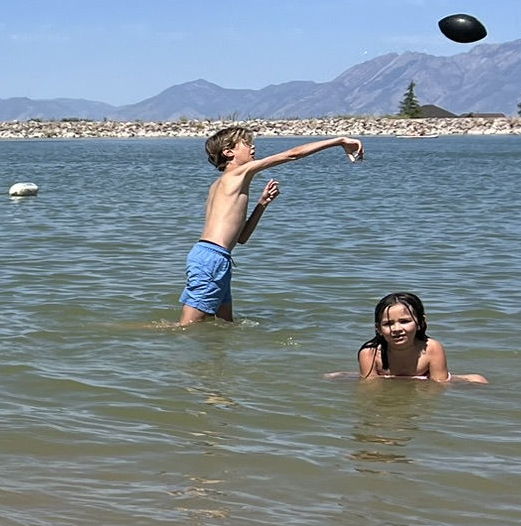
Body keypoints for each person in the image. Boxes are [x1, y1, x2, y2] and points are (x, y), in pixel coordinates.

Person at [182, 127, 364, 324]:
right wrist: (338, 141)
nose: (253, 146)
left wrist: (262, 204)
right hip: (212, 259)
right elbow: (292, 155)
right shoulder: (238, 174)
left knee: (225, 325)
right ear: (228, 152)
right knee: (186, 327)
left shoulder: (220, 185)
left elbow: (241, 238)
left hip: (218, 257)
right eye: (246, 143)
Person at [356, 291, 486, 383]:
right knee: (336, 376)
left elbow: (439, 387)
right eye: (388, 324)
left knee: (479, 380)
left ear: (420, 323)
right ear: (378, 329)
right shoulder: (369, 353)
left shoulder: (432, 349)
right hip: (393, 379)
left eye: (405, 321)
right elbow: (370, 390)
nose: (396, 329)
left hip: (424, 379)